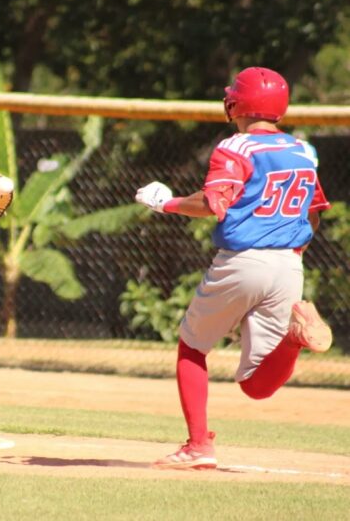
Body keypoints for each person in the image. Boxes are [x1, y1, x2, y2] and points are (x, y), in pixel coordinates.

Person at [134, 67, 333, 470]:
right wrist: (293, 254)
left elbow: (212, 204)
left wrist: (166, 203)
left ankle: (197, 446)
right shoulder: (303, 150)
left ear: (236, 104)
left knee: (192, 347)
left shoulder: (236, 147)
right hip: (288, 265)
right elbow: (313, 216)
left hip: (244, 260)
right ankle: (294, 340)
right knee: (255, 386)